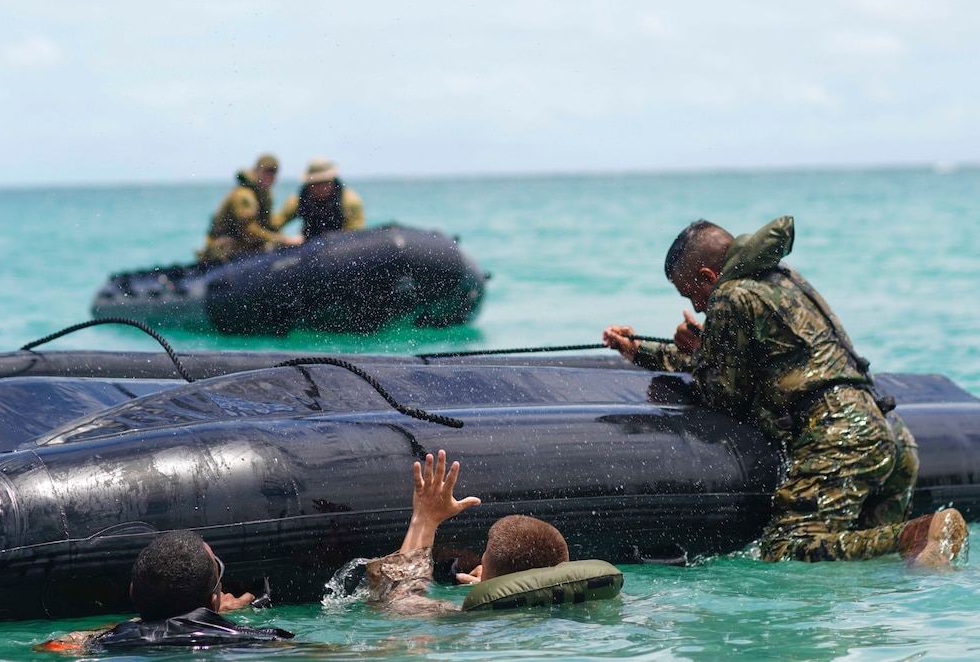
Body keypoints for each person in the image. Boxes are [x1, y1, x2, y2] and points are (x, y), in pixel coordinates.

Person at [602, 215, 968, 568]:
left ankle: (918, 533)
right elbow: (751, 364)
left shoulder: (730, 295)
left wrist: (698, 354)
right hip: (887, 432)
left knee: (788, 548)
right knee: (858, 555)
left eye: (692, 293)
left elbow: (724, 397)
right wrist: (641, 350)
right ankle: (917, 538)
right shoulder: (781, 278)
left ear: (707, 276)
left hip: (837, 434)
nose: (698, 305)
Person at [365, 450, 621, 615]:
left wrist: (425, 518)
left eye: (484, 556)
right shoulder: (591, 607)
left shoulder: (465, 618)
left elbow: (393, 599)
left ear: (486, 564)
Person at [36, 530, 293, 653]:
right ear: (214, 599)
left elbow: (48, 647)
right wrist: (213, 617)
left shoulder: (113, 641)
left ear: (133, 593)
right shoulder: (260, 639)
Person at [199, 153, 301, 263]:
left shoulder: (265, 193)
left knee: (294, 202)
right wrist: (282, 240)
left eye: (274, 172)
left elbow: (267, 224)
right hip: (225, 247)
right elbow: (249, 231)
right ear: (256, 171)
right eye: (266, 171)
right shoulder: (244, 195)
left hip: (246, 242)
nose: (270, 176)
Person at [274, 157, 365, 242]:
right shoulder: (297, 201)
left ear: (332, 181)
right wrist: (284, 239)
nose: (321, 187)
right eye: (316, 183)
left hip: (339, 247)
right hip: (308, 246)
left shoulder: (349, 201)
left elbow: (355, 236)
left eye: (325, 182)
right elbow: (274, 224)